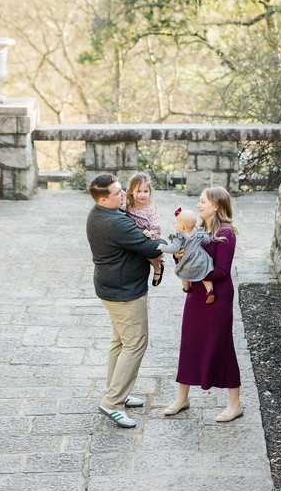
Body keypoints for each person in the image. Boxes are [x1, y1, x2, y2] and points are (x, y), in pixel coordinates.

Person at [86, 173, 164, 428]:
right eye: (118, 193)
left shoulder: (98, 213)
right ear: (103, 199)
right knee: (135, 344)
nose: (124, 195)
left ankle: (117, 391)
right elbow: (151, 248)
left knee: (120, 343)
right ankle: (112, 403)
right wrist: (175, 241)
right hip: (125, 293)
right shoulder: (116, 223)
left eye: (122, 190)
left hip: (111, 288)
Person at [164, 187, 243, 423]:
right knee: (189, 344)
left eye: (202, 201)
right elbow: (187, 257)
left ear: (216, 205)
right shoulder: (197, 230)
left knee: (222, 347)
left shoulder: (226, 233)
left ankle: (235, 404)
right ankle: (182, 398)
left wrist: (194, 269)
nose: (198, 205)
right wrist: (179, 257)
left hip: (217, 297)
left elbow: (221, 271)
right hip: (196, 295)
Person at [157, 208, 215, 303]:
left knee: (184, 277)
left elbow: (174, 249)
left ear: (182, 227)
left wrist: (162, 247)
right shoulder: (197, 233)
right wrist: (201, 232)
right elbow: (207, 241)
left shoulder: (179, 237)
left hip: (187, 263)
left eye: (177, 223)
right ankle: (210, 292)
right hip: (200, 261)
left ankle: (187, 288)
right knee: (205, 276)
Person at [125, 172, 164, 286]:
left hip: (149, 238)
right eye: (138, 191)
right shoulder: (127, 207)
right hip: (133, 237)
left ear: (150, 192)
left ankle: (158, 268)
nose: (142, 195)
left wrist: (150, 233)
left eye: (145, 191)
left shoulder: (150, 210)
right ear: (131, 191)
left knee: (145, 250)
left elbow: (157, 229)